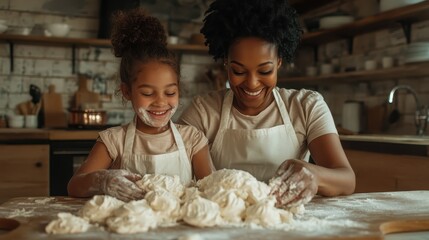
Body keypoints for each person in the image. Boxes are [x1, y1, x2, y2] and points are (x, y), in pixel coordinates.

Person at [178, 0, 355, 208]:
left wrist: (314, 175)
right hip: (223, 221)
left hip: (287, 223)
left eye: (264, 71)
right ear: (225, 61)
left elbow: (346, 180)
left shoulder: (306, 106)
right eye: (238, 71)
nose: (252, 83)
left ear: (279, 61)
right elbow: (171, 165)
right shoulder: (204, 111)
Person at [68, 8, 215, 202]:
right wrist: (102, 180)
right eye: (147, 93)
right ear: (127, 91)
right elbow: (74, 186)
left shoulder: (193, 140)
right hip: (129, 227)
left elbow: (213, 188)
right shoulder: (113, 141)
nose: (161, 102)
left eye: (170, 92)